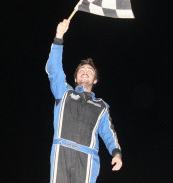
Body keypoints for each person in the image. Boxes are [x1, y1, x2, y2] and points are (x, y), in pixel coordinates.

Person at [45, 19, 123, 183]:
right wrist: (59, 35)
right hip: (61, 153)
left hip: (87, 158)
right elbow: (54, 69)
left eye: (90, 70)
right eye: (81, 69)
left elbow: (108, 132)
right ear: (75, 78)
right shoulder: (64, 93)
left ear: (95, 80)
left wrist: (116, 152)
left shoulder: (101, 106)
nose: (85, 71)